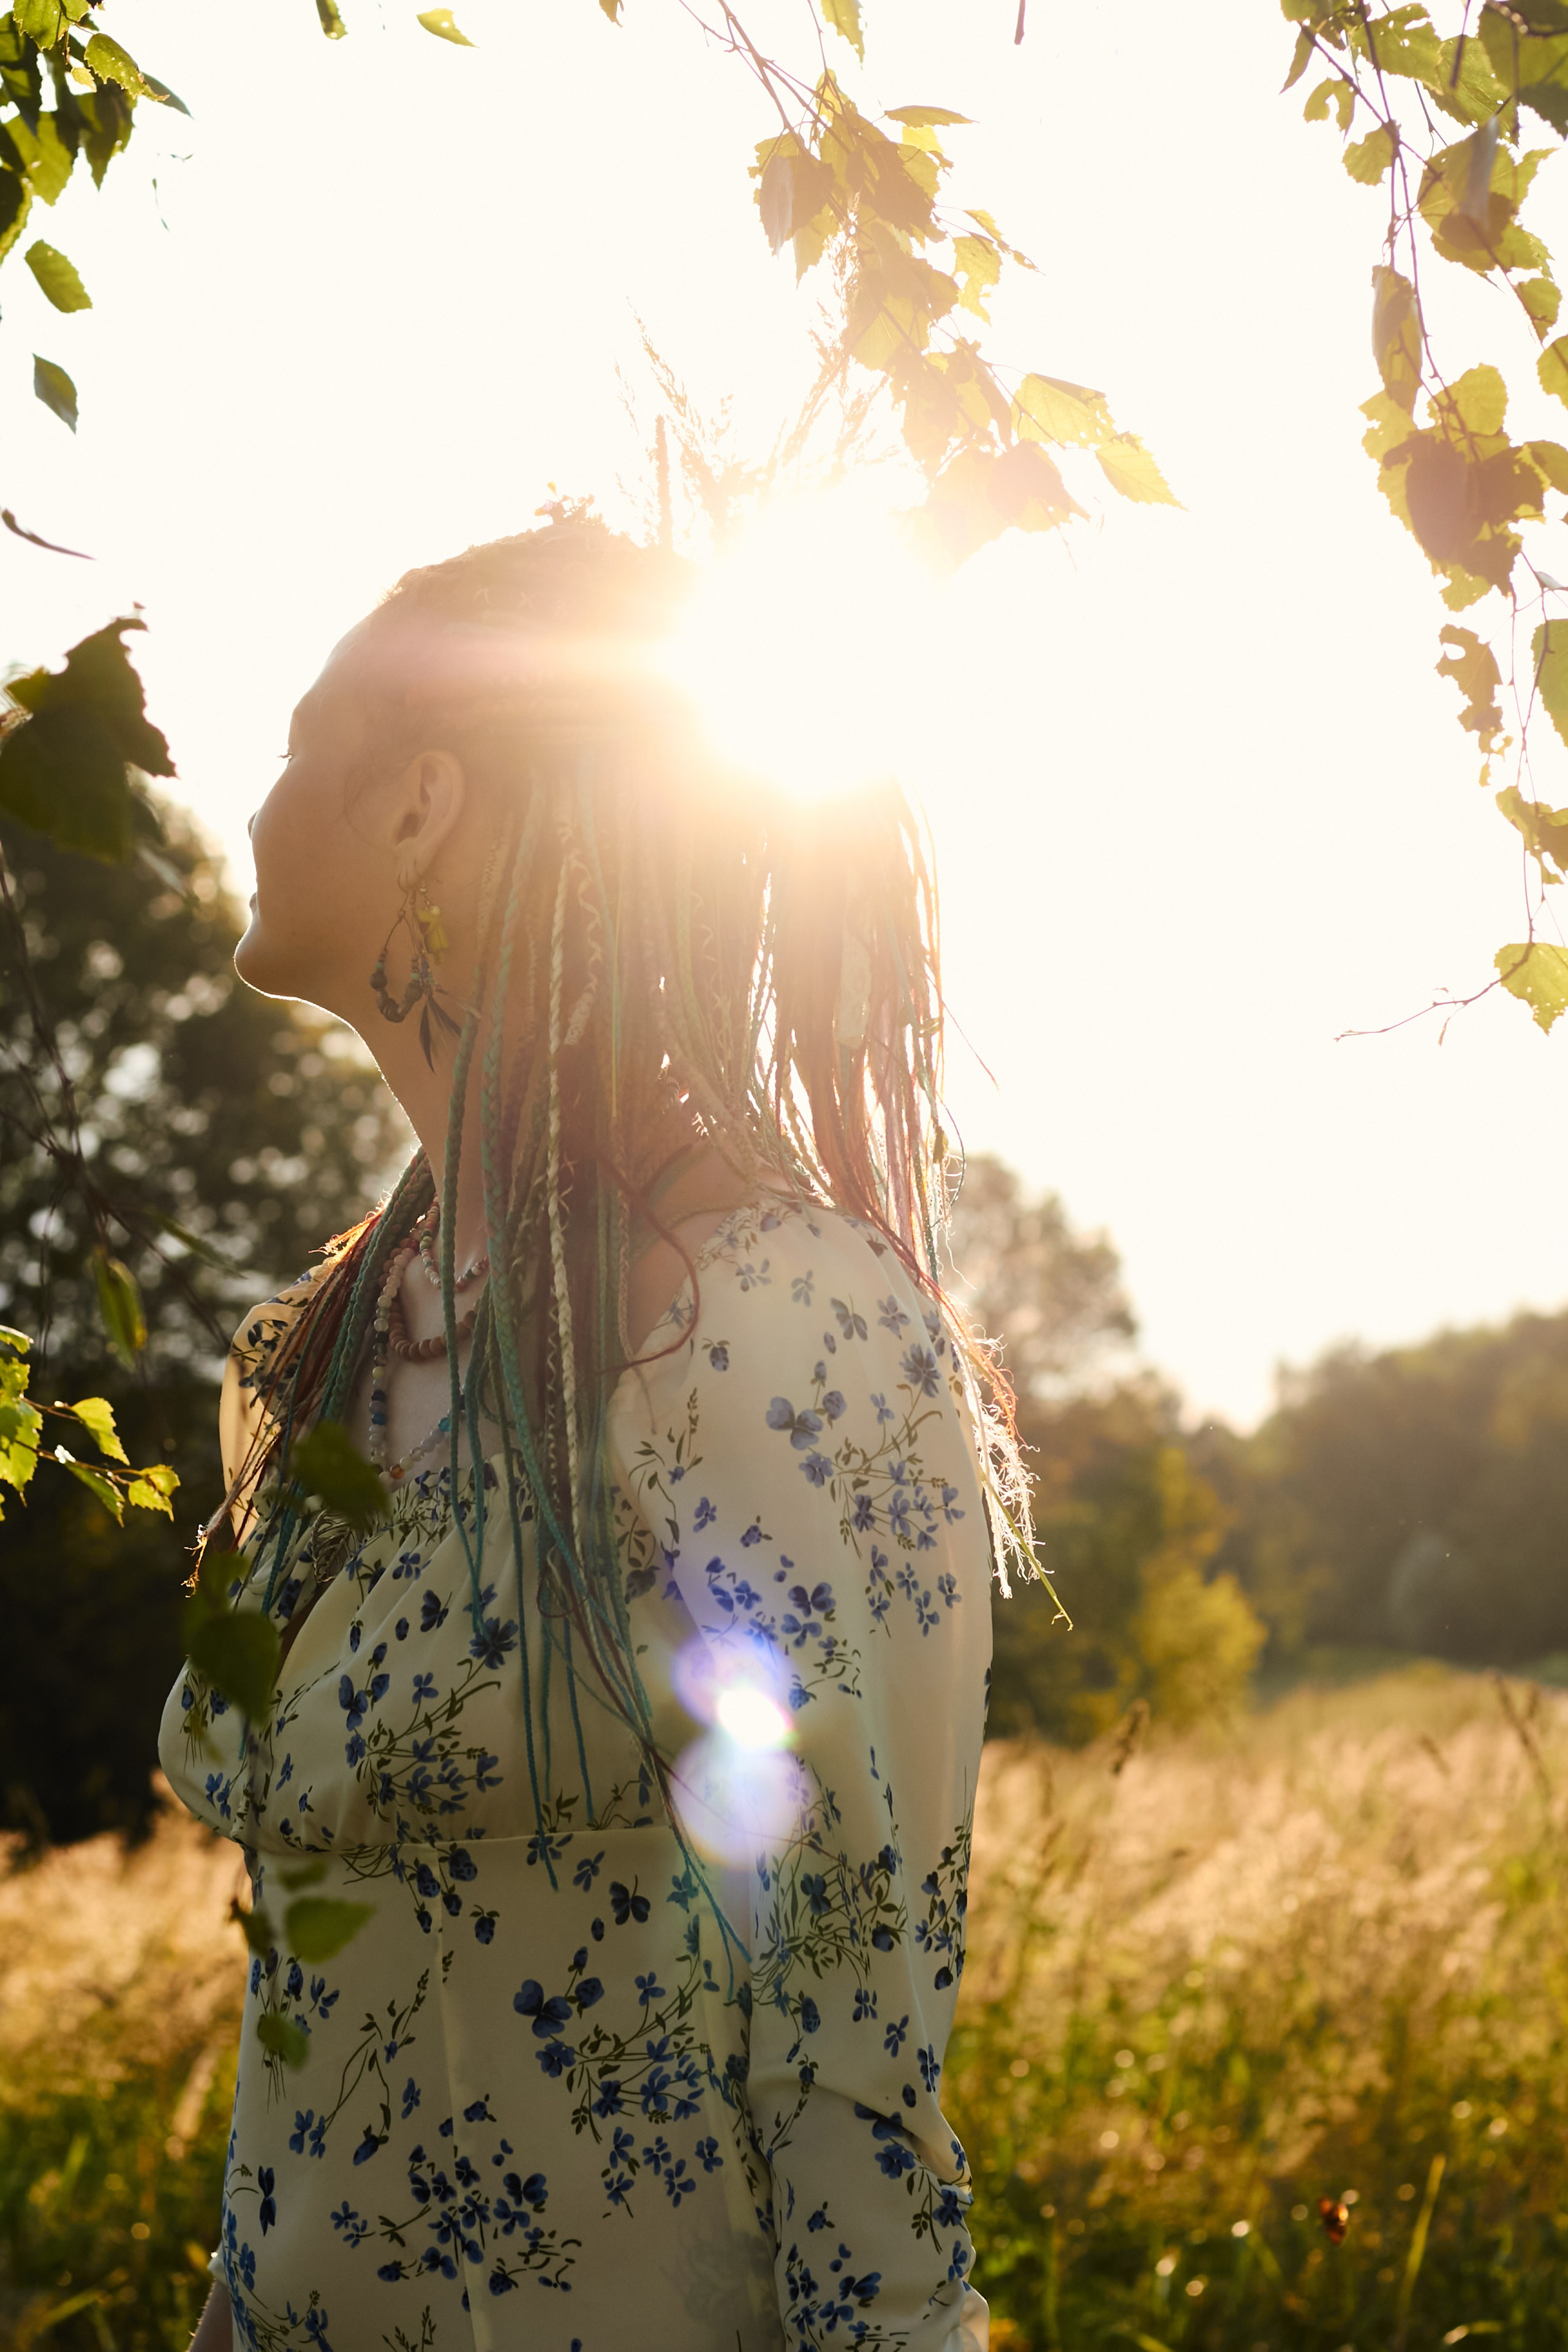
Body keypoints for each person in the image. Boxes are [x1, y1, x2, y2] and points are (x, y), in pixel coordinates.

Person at [162, 516, 1024, 2352]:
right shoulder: (339, 1338)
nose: (254, 809)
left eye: (303, 747)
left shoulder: (770, 1322)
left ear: (419, 806)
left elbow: (858, 2027)